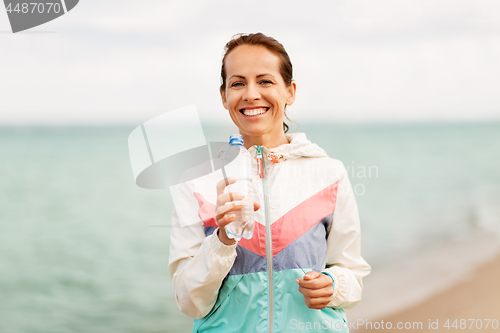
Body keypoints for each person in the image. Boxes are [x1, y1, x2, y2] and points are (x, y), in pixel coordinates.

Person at [168, 32, 371, 332]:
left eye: (265, 81)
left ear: (290, 91)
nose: (251, 94)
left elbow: (352, 275)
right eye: (238, 83)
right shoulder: (196, 182)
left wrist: (333, 284)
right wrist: (223, 238)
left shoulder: (329, 173)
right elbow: (189, 301)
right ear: (223, 96)